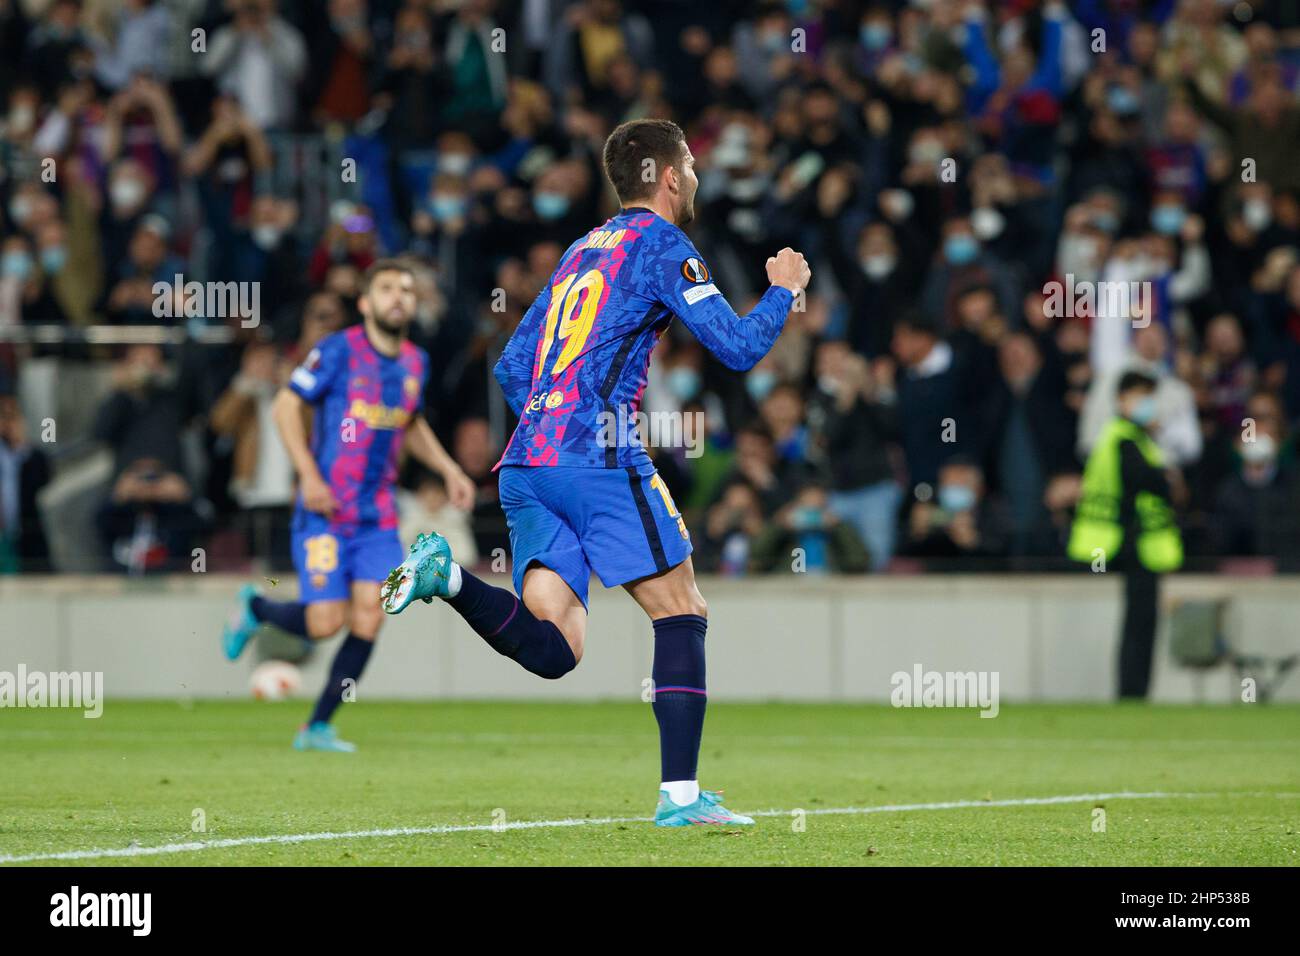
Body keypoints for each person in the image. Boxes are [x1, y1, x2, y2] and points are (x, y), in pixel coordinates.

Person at [381, 118, 810, 826]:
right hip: (597, 454)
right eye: (693, 165)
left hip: (527, 461)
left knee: (556, 650)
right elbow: (734, 347)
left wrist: (553, 424)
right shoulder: (662, 244)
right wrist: (782, 290)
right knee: (683, 612)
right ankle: (679, 799)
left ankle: (448, 577)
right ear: (670, 175)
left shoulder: (583, 248)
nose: (697, 177)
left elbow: (514, 365)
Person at [221, 259, 475, 752]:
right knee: (325, 623)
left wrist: (448, 469)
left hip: (377, 517)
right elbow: (285, 406)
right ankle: (256, 607)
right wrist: (310, 476)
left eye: (406, 289)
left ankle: (316, 726)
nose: (398, 296)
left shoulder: (414, 363)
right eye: (385, 288)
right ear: (365, 302)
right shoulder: (337, 350)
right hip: (325, 511)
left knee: (370, 617)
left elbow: (410, 423)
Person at [1068, 370, 1184, 699]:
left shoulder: (1134, 437)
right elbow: (1146, 481)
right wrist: (1166, 480)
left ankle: (1134, 692)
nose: (1147, 404)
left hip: (1132, 542)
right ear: (1121, 399)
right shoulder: (1124, 438)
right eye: (1140, 396)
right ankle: (1132, 693)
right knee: (1139, 624)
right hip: (1128, 542)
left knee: (1140, 623)